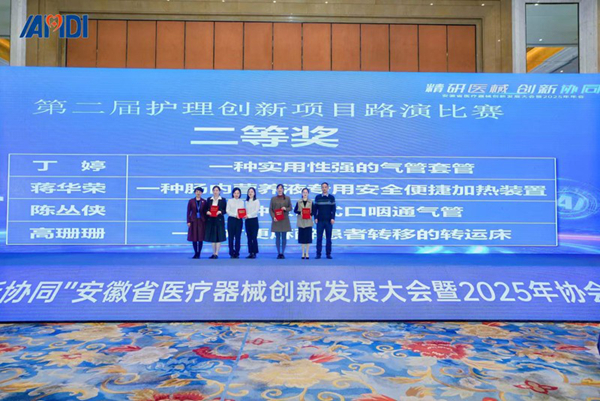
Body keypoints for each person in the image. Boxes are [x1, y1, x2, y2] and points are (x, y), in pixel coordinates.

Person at [314, 182, 336, 259]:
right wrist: (315, 218)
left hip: (329, 221)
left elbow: (333, 209)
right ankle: (318, 254)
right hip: (320, 220)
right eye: (323, 187)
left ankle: (328, 254)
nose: (324, 188)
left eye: (325, 187)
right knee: (319, 238)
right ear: (321, 188)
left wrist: (333, 218)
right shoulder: (318, 197)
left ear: (328, 188)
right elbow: (315, 209)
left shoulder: (331, 197)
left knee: (328, 238)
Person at [269, 184, 292, 259]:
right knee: (277, 237)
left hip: (284, 220)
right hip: (276, 220)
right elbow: (270, 209)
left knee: (284, 237)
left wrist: (285, 208)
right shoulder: (273, 199)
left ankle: (283, 253)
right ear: (276, 190)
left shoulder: (287, 198)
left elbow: (290, 208)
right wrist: (273, 217)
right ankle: (279, 253)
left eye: (281, 188)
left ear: (283, 189)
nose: (280, 190)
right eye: (278, 188)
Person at [204, 185, 227, 259]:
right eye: (214, 190)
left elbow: (225, 210)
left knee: (218, 236)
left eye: (217, 190)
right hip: (211, 220)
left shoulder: (223, 200)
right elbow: (205, 209)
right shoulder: (209, 199)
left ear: (219, 191)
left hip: (219, 220)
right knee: (212, 237)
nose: (215, 192)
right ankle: (213, 253)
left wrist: (220, 211)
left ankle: (217, 253)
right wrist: (207, 212)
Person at [187, 187, 207, 259]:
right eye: (197, 191)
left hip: (201, 221)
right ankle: (195, 253)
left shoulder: (204, 201)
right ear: (195, 192)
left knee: (200, 238)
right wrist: (188, 221)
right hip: (193, 221)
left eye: (200, 192)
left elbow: (205, 212)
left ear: (201, 193)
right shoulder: (191, 201)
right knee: (194, 237)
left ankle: (199, 253)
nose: (198, 193)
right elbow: (188, 212)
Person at [294, 187, 314, 260]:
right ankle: (303, 253)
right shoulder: (299, 202)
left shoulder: (311, 202)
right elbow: (295, 210)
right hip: (301, 221)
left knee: (308, 238)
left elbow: (314, 211)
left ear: (308, 194)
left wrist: (311, 214)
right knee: (302, 239)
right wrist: (300, 212)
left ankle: (307, 253)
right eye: (304, 192)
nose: (305, 194)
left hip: (308, 222)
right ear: (302, 193)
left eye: (306, 192)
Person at [226, 187, 244, 259]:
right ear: (233, 194)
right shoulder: (229, 201)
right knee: (231, 237)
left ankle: (237, 252)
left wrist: (240, 215)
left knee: (238, 237)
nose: (236, 194)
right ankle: (231, 252)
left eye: (238, 193)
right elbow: (228, 211)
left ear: (240, 194)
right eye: (235, 193)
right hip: (231, 219)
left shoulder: (242, 201)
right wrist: (235, 215)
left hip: (239, 220)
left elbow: (242, 211)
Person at [245, 187, 260, 259]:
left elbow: (256, 211)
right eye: (249, 192)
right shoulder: (246, 201)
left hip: (254, 220)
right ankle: (250, 252)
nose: (250, 193)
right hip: (247, 221)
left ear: (254, 193)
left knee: (254, 237)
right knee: (249, 237)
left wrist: (248, 215)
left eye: (252, 192)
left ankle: (254, 252)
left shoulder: (256, 201)